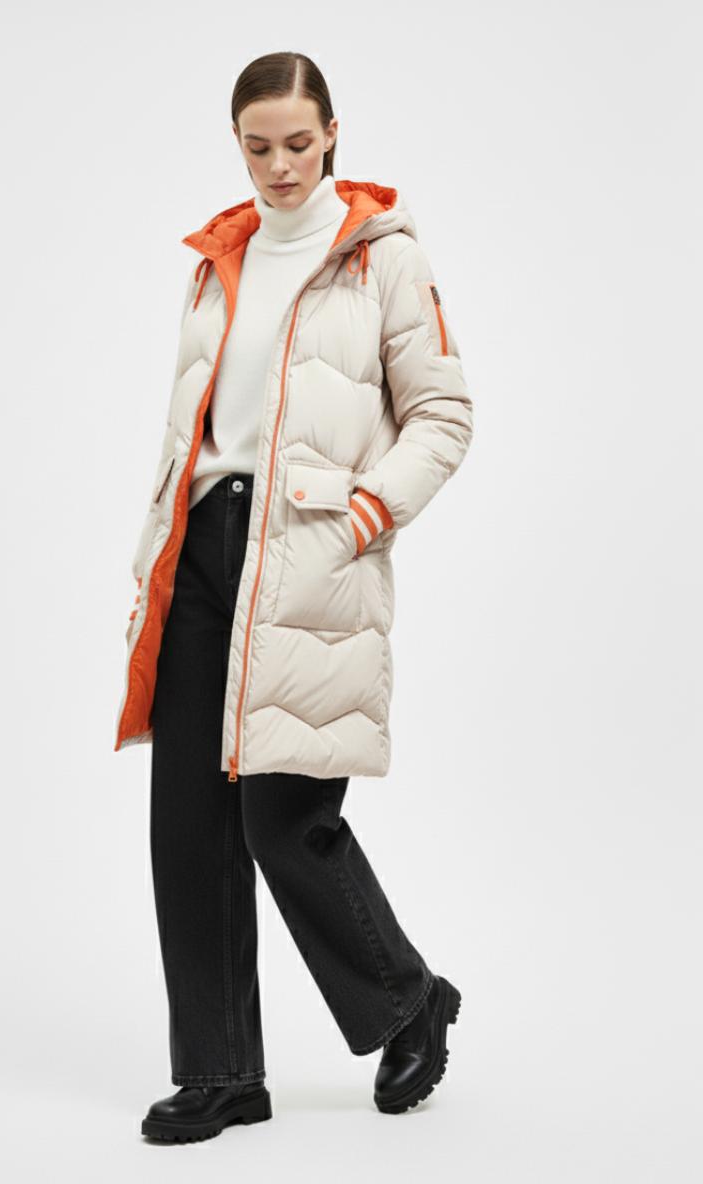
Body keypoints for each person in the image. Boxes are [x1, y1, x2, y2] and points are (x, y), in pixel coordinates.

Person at [115, 52, 474, 1143]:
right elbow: (196, 431)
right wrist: (155, 552)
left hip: (308, 550)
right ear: (238, 144)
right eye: (258, 146)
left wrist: (366, 513)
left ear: (332, 135)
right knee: (188, 824)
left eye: (298, 144)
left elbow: (445, 416)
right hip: (202, 547)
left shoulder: (383, 259)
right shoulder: (214, 262)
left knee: (283, 817)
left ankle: (407, 998)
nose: (279, 165)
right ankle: (220, 1071)